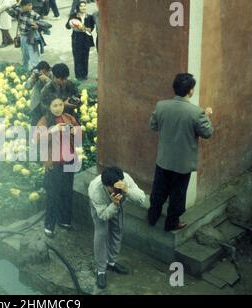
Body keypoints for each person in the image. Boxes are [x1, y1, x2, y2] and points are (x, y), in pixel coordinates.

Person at [148, 73, 214, 231]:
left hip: (164, 159)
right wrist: (207, 116)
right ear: (190, 91)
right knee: (177, 195)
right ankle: (171, 223)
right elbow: (208, 132)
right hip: (182, 164)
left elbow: (153, 126)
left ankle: (152, 217)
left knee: (158, 191)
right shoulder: (197, 113)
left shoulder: (161, 106)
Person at [89, 166, 145, 289]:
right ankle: (101, 271)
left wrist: (127, 190)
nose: (116, 189)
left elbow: (142, 199)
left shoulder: (125, 180)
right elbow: (103, 215)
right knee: (101, 233)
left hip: (117, 205)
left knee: (117, 229)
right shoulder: (95, 190)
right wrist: (114, 204)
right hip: (101, 208)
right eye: (113, 188)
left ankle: (111, 262)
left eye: (118, 185)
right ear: (105, 185)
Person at [36, 98, 81, 238]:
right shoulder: (44, 121)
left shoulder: (68, 118)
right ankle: (49, 225)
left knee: (67, 191)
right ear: (49, 106)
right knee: (53, 194)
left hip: (69, 160)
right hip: (54, 163)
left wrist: (75, 132)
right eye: (54, 105)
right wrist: (53, 130)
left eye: (61, 104)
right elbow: (37, 139)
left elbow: (80, 135)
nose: (58, 108)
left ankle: (64, 221)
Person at [6, 0, 41, 71]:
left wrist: (37, 26)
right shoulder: (19, 12)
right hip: (23, 37)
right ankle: (25, 71)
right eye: (28, 5)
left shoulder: (35, 15)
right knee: (25, 56)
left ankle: (36, 72)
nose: (30, 7)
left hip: (32, 38)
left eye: (31, 5)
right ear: (22, 6)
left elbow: (41, 26)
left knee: (34, 56)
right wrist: (17, 4)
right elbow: (8, 10)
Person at [66, 1, 95, 81]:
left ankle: (84, 74)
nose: (83, 8)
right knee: (77, 57)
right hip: (76, 39)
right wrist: (72, 23)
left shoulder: (89, 17)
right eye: (81, 6)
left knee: (85, 57)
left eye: (84, 6)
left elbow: (92, 27)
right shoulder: (74, 16)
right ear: (78, 7)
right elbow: (67, 26)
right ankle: (78, 75)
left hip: (86, 39)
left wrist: (89, 29)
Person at [24, 61, 52, 126]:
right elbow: (27, 86)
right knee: (34, 123)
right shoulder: (36, 75)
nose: (42, 74)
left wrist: (47, 80)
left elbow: (54, 87)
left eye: (45, 73)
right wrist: (32, 79)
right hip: (36, 103)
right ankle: (33, 135)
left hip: (48, 105)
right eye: (41, 73)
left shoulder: (51, 75)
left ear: (48, 71)